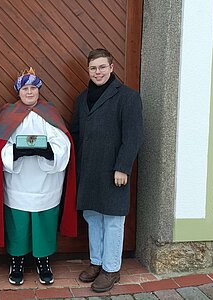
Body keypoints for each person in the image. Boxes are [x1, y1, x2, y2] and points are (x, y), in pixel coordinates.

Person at [0, 68, 77, 285]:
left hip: (46, 182)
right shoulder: (8, 115)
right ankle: (16, 260)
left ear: (38, 90)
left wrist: (47, 151)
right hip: (18, 182)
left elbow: (64, 143)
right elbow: (0, 147)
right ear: (18, 91)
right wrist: (16, 152)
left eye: (33, 88)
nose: (29, 92)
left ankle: (43, 260)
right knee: (18, 223)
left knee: (43, 222)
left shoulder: (51, 113)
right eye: (25, 88)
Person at [71, 48, 142, 293]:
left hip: (114, 170)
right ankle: (97, 262)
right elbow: (77, 133)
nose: (98, 72)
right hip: (88, 169)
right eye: (93, 68)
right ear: (88, 71)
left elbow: (132, 136)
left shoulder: (128, 97)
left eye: (102, 67)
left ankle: (112, 268)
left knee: (112, 219)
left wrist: (123, 167)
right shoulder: (82, 99)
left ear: (112, 68)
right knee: (93, 217)